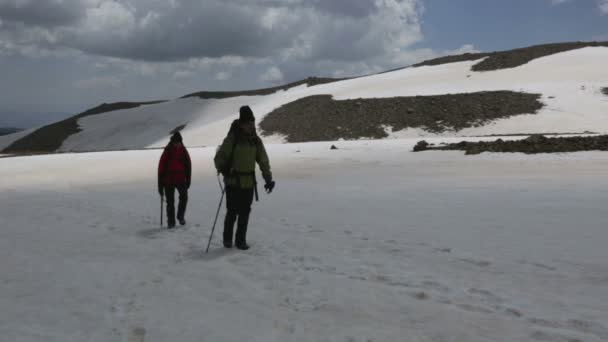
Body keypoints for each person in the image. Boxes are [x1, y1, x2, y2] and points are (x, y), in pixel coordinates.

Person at [214, 105, 275, 250]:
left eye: (252, 123)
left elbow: (263, 160)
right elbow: (219, 158)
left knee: (245, 213)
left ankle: (240, 241)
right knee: (232, 212)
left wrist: (268, 179)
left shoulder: (255, 140)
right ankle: (227, 240)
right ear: (241, 123)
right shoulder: (232, 138)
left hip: (248, 183)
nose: (251, 126)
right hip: (233, 182)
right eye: (248, 123)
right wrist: (225, 170)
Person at [158, 132, 191, 228]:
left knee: (184, 197)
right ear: (173, 142)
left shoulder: (184, 151)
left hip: (181, 179)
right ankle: (171, 222)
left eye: (179, 142)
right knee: (170, 202)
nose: (177, 144)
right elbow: (161, 168)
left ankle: (180, 216)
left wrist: (188, 179)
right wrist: (160, 185)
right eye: (176, 142)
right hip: (169, 180)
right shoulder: (167, 151)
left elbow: (188, 166)